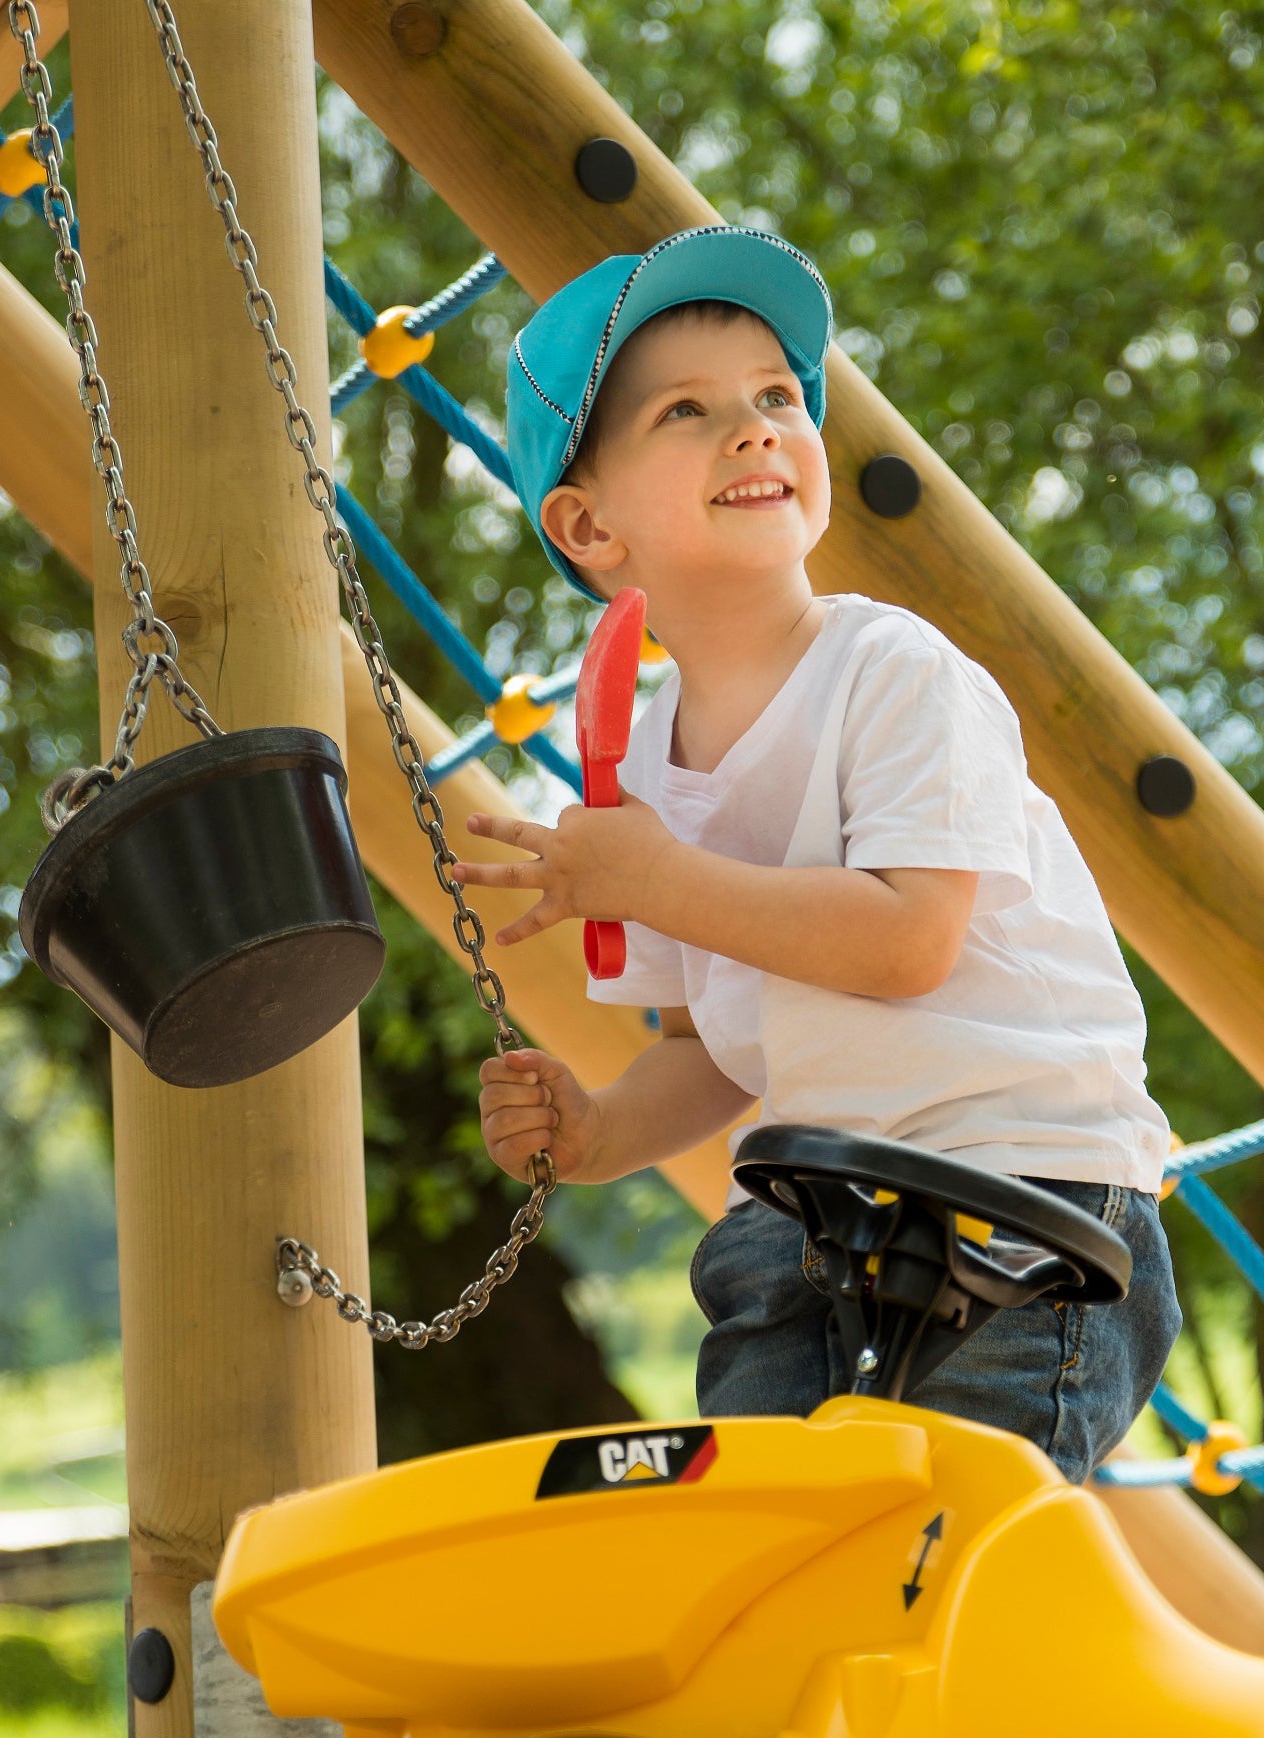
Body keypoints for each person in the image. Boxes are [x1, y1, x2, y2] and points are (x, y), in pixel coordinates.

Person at [462, 225, 1178, 1489]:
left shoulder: (894, 673)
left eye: (780, 397)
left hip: (1029, 1204)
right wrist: (596, 1132)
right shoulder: (642, 761)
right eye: (687, 409)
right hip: (813, 1215)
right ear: (586, 523)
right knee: (739, 1520)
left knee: (945, 1535)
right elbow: (712, 1049)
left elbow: (906, 944)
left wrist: (653, 880)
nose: (755, 428)